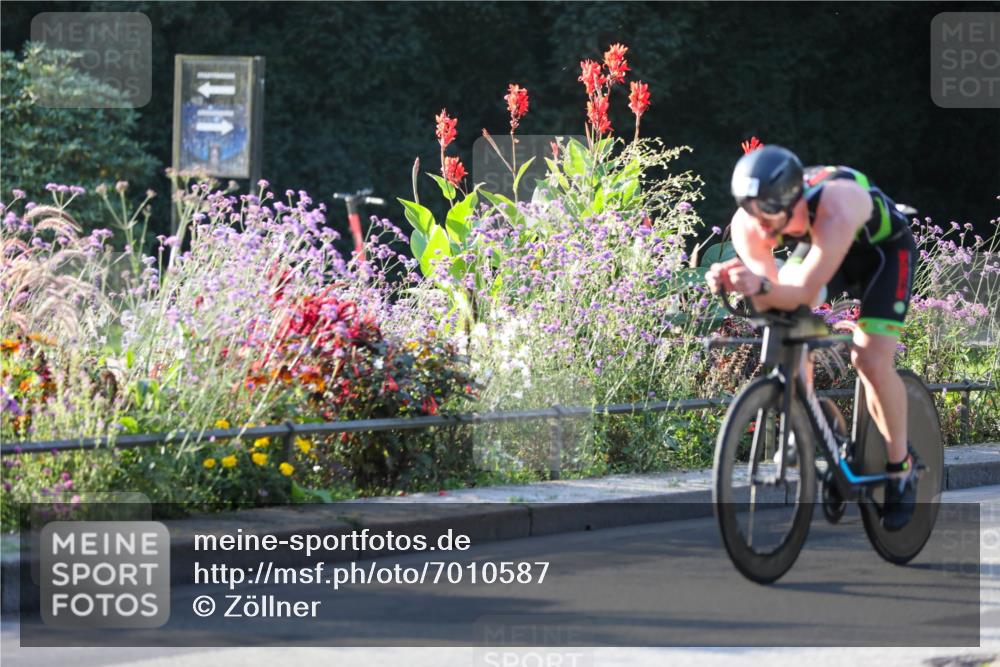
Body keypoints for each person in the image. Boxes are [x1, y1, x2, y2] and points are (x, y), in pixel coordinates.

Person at [705, 145, 918, 531]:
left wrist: (762, 286)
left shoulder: (838, 203)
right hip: (823, 248)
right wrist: (737, 281)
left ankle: (900, 468)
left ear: (792, 200)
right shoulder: (749, 221)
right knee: (786, 321)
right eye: (751, 211)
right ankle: (816, 423)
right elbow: (774, 299)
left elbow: (802, 290)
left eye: (768, 213)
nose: (760, 224)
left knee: (869, 360)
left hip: (883, 255)